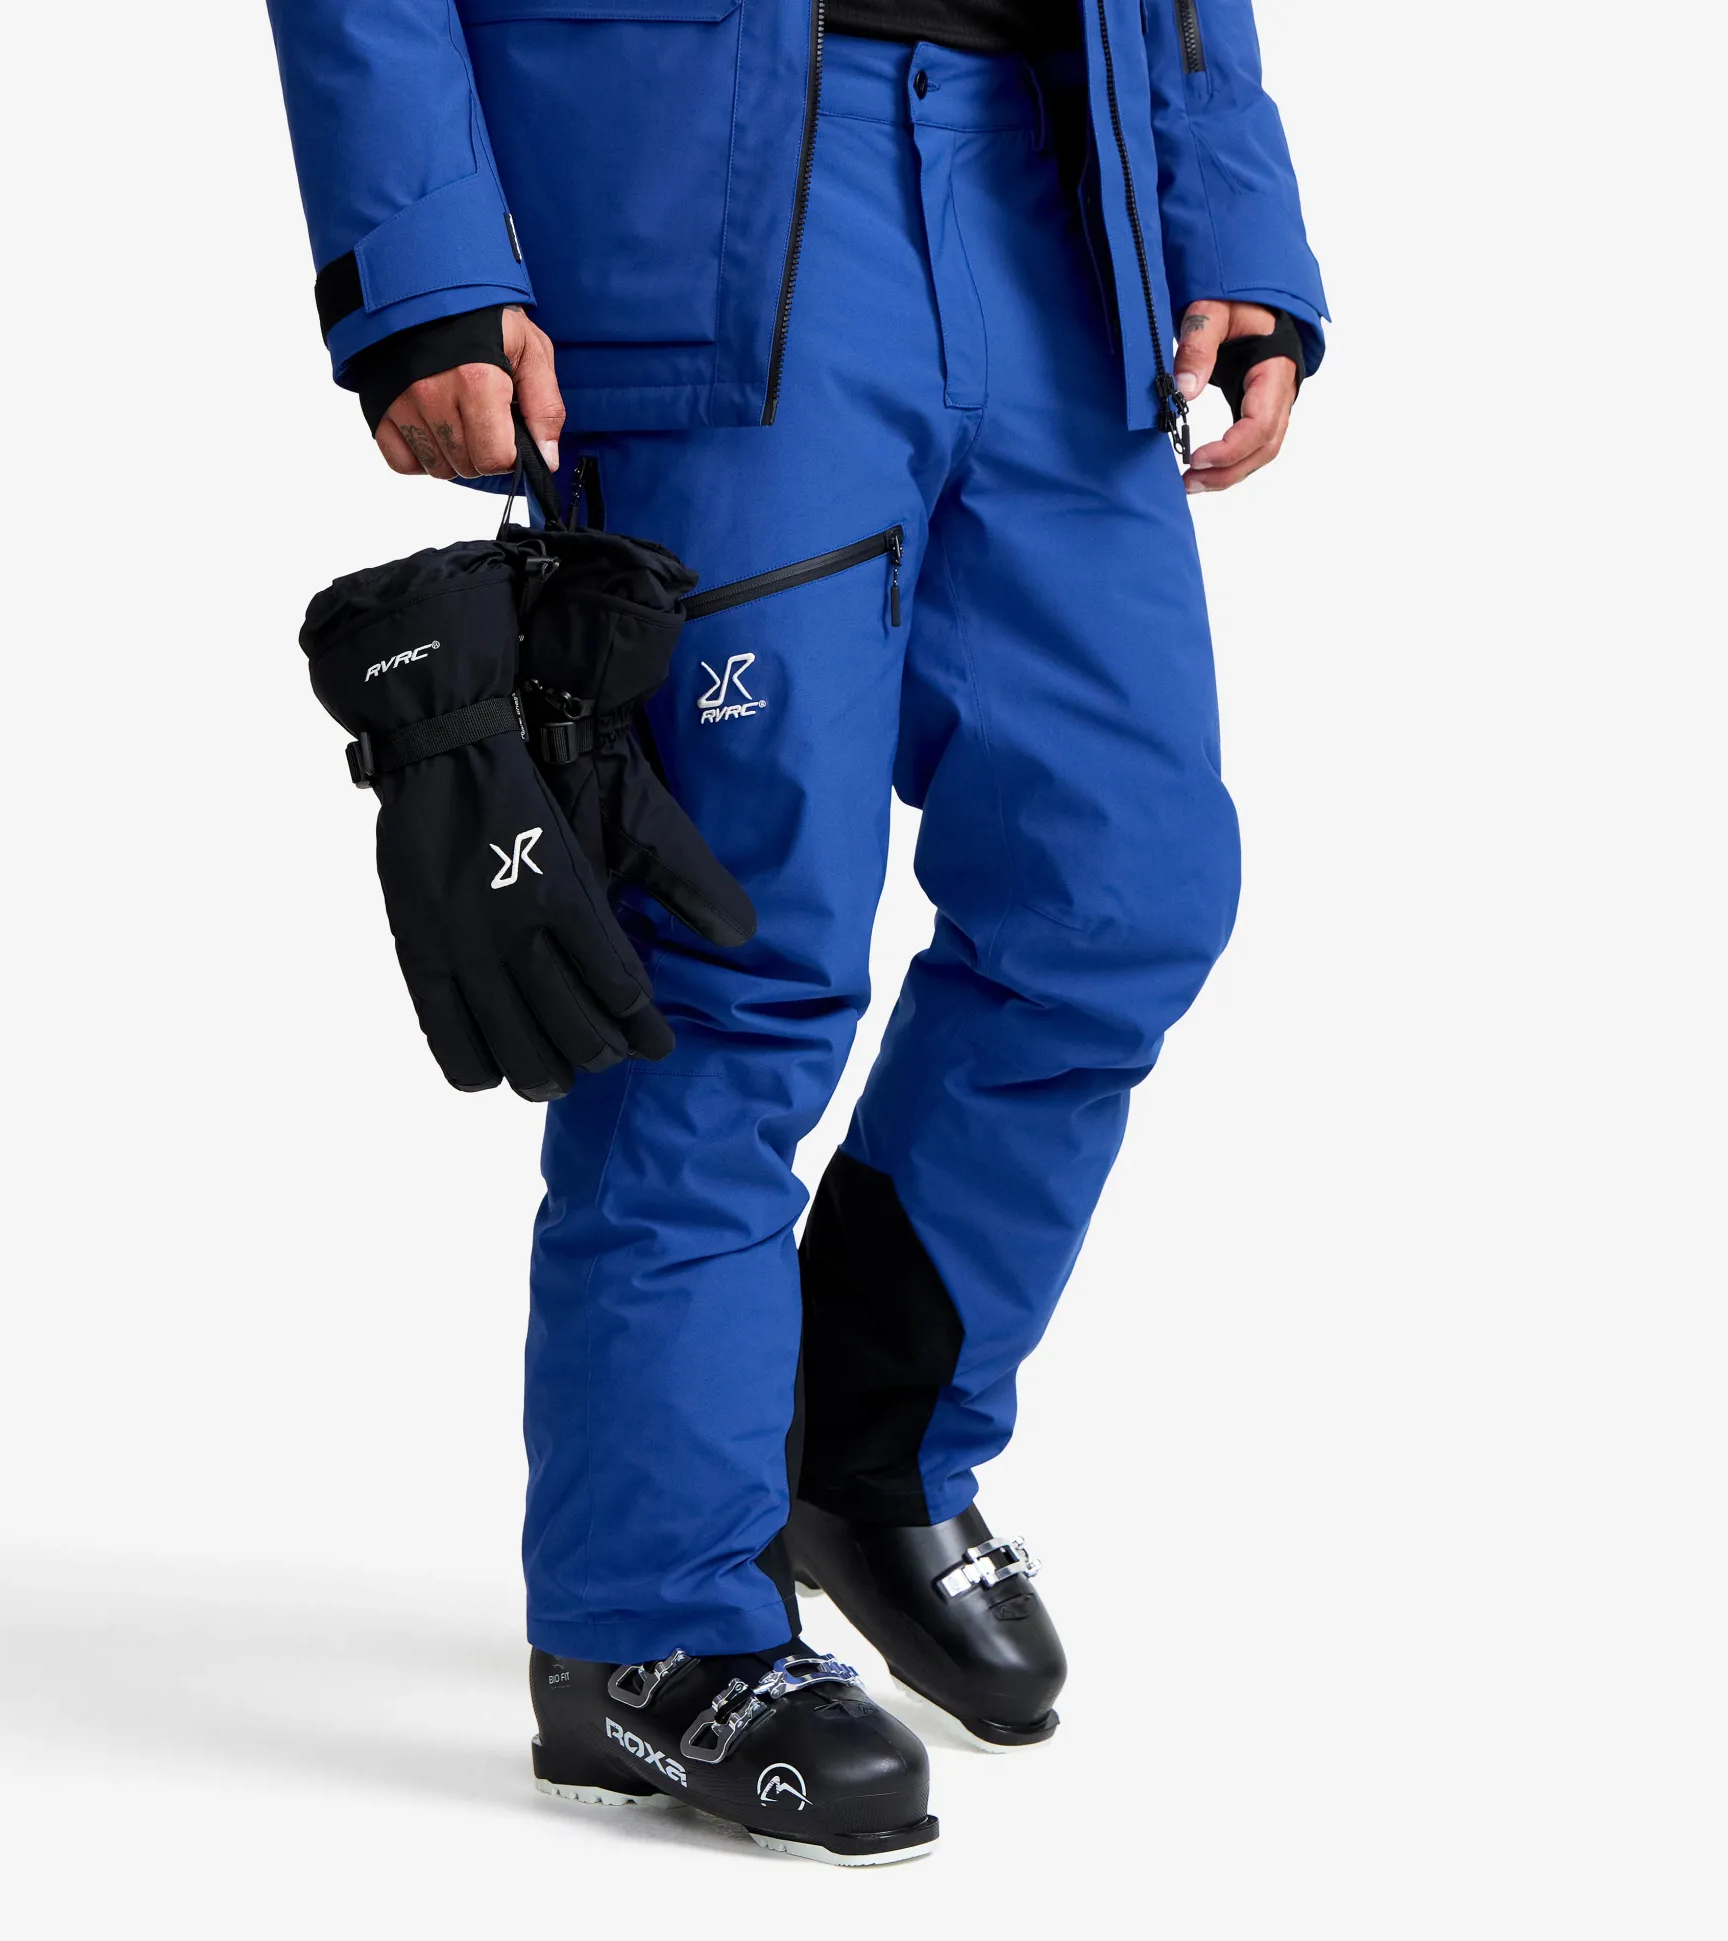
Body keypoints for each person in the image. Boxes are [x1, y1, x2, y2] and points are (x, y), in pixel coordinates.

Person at [266, 0, 1326, 1865]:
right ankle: (649, 1618)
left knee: (1121, 887)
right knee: (732, 951)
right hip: (714, 185)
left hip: (1051, 177)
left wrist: (1223, 205)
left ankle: (868, 1444)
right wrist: (420, 264)